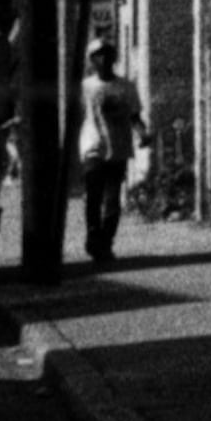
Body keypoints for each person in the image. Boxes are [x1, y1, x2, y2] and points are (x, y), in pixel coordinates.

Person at [76, 37, 144, 268]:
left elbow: (134, 115)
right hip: (93, 146)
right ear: (92, 60)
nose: (103, 59)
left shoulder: (126, 86)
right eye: (98, 56)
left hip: (118, 148)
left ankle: (106, 241)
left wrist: (142, 133)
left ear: (114, 58)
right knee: (93, 196)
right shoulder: (86, 86)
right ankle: (94, 236)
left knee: (113, 199)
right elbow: (76, 116)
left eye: (107, 54)